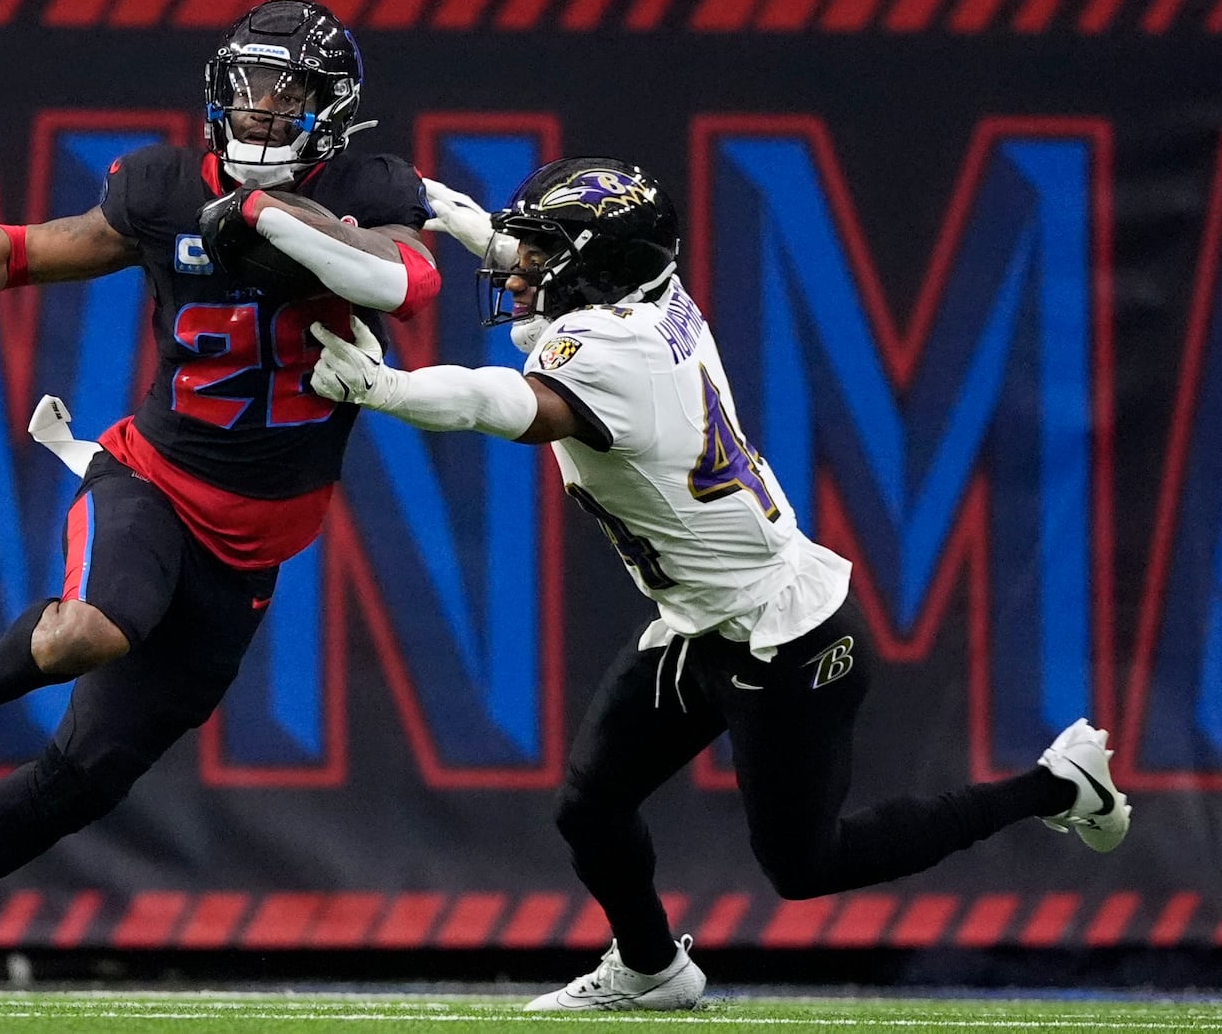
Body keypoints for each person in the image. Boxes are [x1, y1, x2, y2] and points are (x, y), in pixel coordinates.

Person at [311, 157, 1129, 1012]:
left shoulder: (612, 357)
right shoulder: (647, 296)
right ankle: (653, 968)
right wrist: (457, 217)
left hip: (786, 636)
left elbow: (500, 405)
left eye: (539, 253)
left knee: (808, 866)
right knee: (591, 806)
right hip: (700, 619)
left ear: (599, 267)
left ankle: (1061, 784)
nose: (518, 269)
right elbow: (564, 283)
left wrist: (386, 389)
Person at [0, 0, 438, 1006]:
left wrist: (274, 217)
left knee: (90, 772)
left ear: (331, 110)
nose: (258, 109)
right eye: (245, 86)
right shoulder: (161, 186)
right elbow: (33, 249)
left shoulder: (368, 186)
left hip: (257, 541)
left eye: (283, 92)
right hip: (154, 477)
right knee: (97, 625)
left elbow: (401, 283)